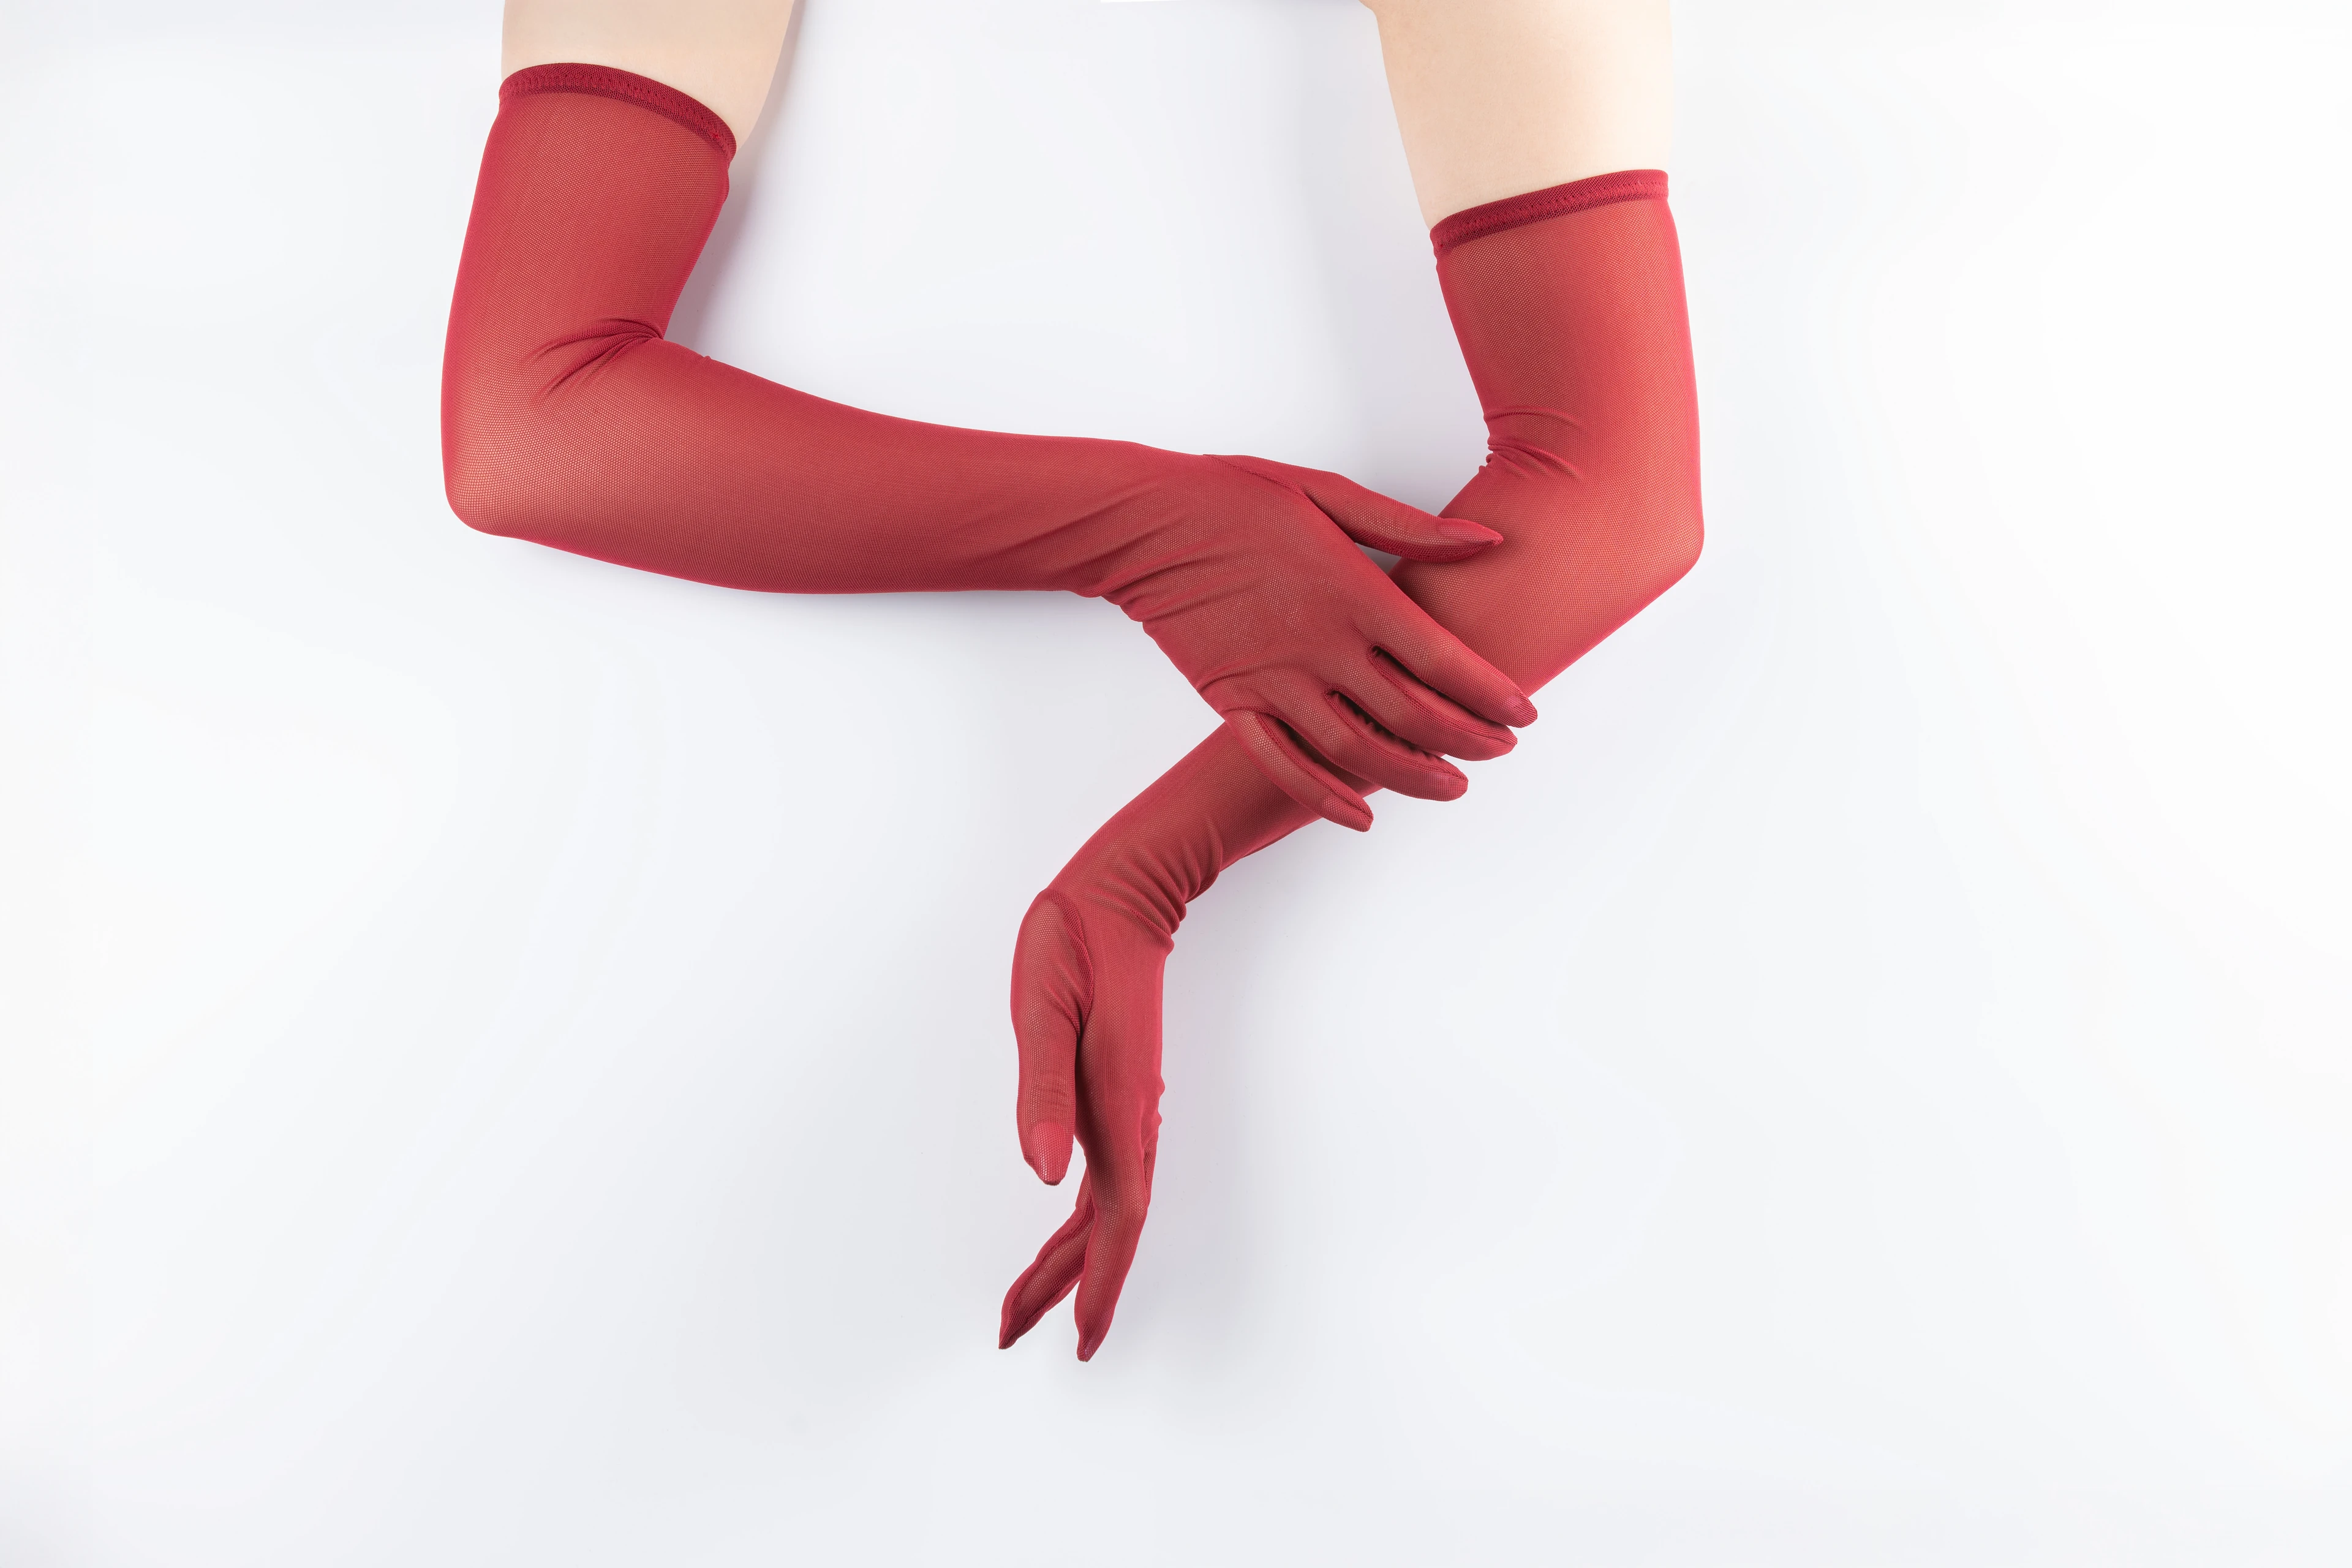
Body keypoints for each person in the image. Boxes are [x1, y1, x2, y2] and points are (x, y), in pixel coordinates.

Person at [446, 0, 1701, 1362]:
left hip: (1446, 1021)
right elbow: (532, 423)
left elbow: (1617, 497)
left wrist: (1157, 862)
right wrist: (1141, 531)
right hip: (623, 906)